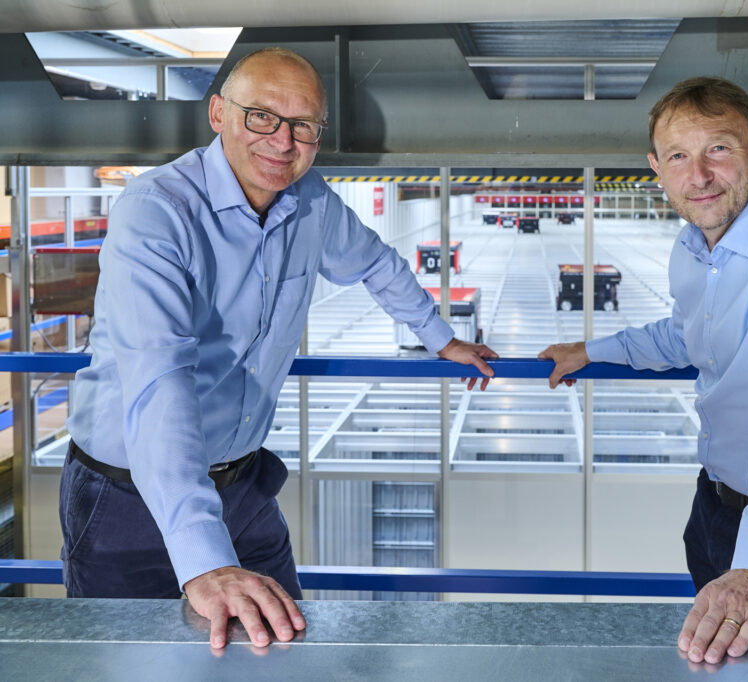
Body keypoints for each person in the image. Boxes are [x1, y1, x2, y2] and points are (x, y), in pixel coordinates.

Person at [60, 47, 497, 649]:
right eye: (261, 116)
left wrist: (440, 337)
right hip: (126, 496)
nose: (283, 142)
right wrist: (204, 561)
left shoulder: (310, 202)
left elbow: (375, 262)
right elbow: (159, 383)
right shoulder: (158, 212)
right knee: (132, 661)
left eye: (304, 127)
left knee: (284, 648)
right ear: (218, 113)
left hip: (241, 485)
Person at [539, 76, 748, 664]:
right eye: (679, 156)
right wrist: (591, 352)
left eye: (717, 150)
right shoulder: (693, 249)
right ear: (656, 166)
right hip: (716, 507)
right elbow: (689, 335)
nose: (698, 175)